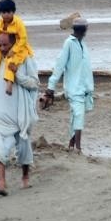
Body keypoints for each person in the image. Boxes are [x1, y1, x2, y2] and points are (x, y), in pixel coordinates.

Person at [0, 32, 39, 196]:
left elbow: (34, 83)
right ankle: (1, 183)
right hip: (1, 115)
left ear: (14, 44)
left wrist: (17, 75)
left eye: (6, 45)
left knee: (24, 147)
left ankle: (25, 177)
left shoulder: (25, 58)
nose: (2, 48)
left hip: (20, 114)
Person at [44, 18, 94, 153]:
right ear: (84, 30)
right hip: (73, 88)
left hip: (84, 88)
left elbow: (85, 67)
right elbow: (59, 66)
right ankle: (78, 148)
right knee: (79, 115)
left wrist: (89, 87)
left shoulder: (82, 44)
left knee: (75, 116)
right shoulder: (69, 43)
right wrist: (50, 88)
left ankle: (71, 145)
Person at [0, 0, 34, 99]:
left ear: (13, 12)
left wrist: (13, 50)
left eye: (8, 12)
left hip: (18, 46)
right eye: (3, 12)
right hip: (2, 45)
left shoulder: (18, 22)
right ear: (0, 13)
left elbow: (23, 38)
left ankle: (9, 82)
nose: (6, 15)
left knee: (11, 61)